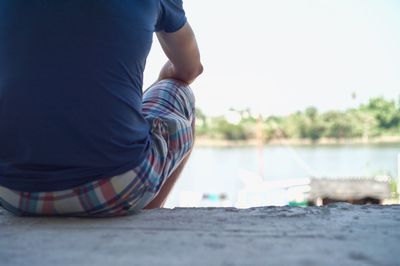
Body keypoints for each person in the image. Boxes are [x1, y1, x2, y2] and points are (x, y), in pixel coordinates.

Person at [0, 0, 203, 216]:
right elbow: (190, 70)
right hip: (118, 189)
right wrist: (162, 79)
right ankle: (145, 213)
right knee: (179, 91)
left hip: (11, 192)